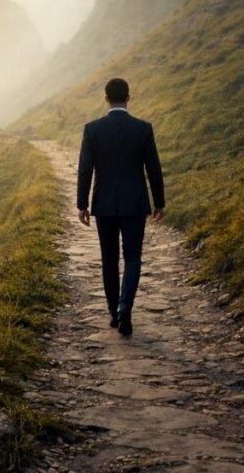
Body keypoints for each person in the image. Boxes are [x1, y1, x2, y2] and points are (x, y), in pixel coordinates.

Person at [77, 78, 165, 336]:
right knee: (133, 257)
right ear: (129, 98)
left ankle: (114, 310)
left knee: (109, 259)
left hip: (104, 204)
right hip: (135, 203)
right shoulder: (143, 129)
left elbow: (85, 169)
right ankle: (126, 307)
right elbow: (154, 169)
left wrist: (82, 204)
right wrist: (159, 202)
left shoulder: (92, 129)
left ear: (106, 99)